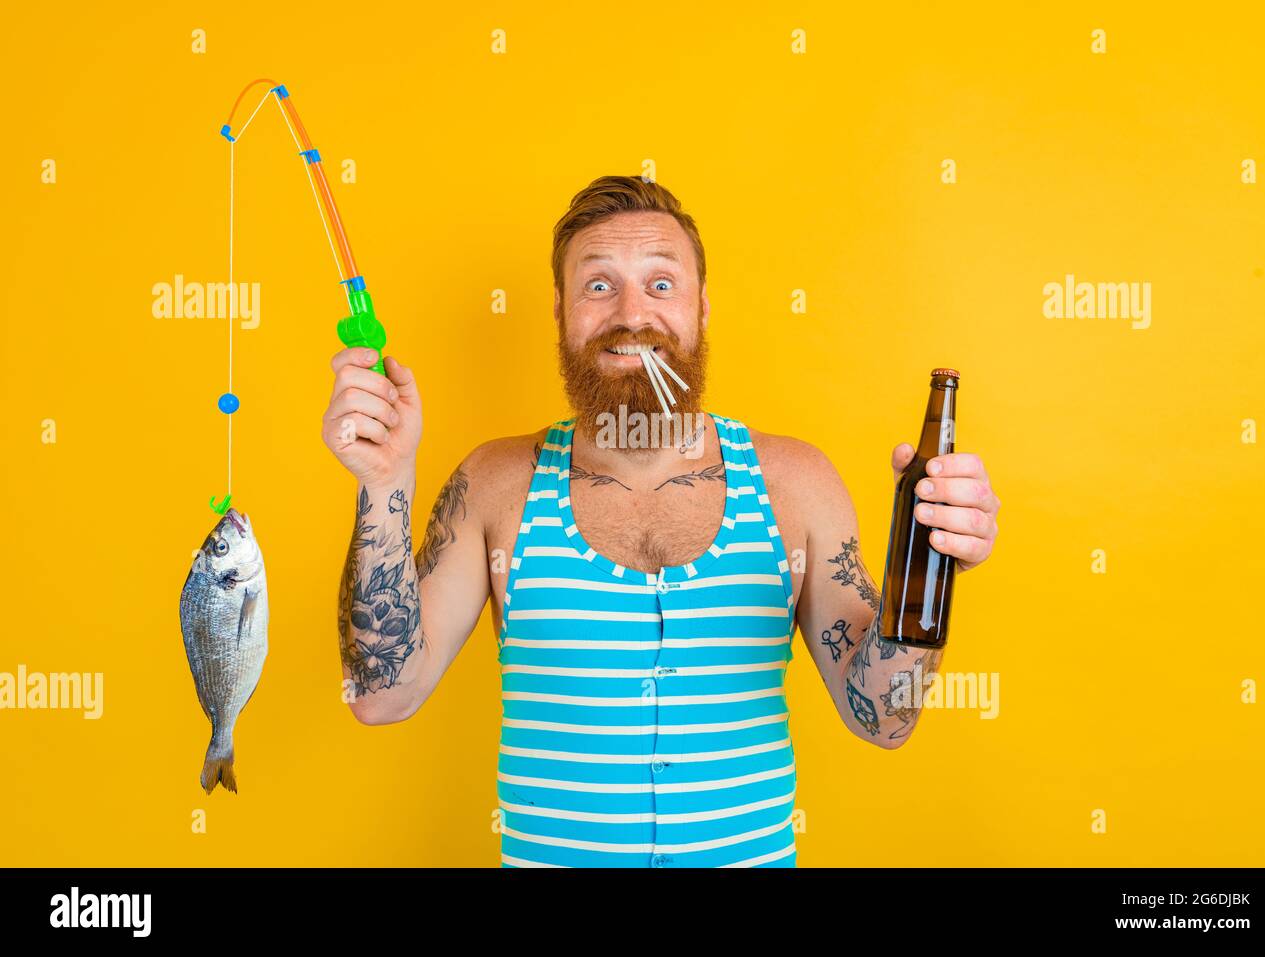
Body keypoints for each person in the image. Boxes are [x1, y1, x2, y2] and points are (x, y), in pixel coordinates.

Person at [322, 175, 1001, 867]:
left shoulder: (795, 485)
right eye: (598, 286)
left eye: (661, 284)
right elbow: (382, 695)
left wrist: (932, 562)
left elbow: (884, 717)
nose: (631, 314)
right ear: (560, 311)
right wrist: (384, 481)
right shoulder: (495, 484)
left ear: (702, 309)